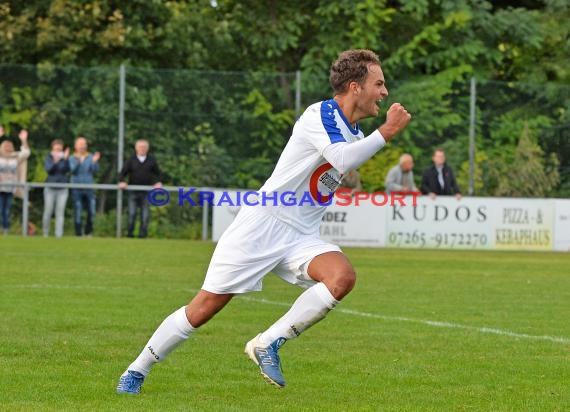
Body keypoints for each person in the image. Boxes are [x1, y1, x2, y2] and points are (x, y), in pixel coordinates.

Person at [116, 49, 411, 394]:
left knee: (342, 277)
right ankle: (137, 370)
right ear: (354, 87)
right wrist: (387, 131)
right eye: (379, 83)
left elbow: (338, 166)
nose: (385, 92)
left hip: (301, 234)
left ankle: (267, 342)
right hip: (262, 224)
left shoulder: (356, 134)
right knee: (204, 307)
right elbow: (340, 157)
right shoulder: (321, 114)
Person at [118, 139, 162, 238]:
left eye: (144, 147)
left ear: (147, 149)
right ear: (136, 148)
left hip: (146, 192)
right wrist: (122, 181)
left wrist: (158, 183)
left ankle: (143, 236)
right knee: (132, 214)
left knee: (145, 216)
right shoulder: (131, 160)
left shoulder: (151, 160)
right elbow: (122, 173)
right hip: (133, 191)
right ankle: (130, 235)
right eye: (140, 147)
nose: (142, 149)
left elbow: (158, 174)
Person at [0, 129, 30, 235]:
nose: (8, 148)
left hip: (10, 188)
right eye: (5, 145)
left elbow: (26, 153)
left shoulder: (15, 157)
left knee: (6, 210)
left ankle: (6, 230)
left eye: (9, 146)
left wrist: (24, 140)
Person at [69, 136, 101, 237]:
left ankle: (88, 232)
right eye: (80, 144)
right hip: (76, 188)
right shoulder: (71, 157)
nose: (82, 146)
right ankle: (78, 234)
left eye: (84, 144)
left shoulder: (91, 157)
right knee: (78, 210)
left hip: (89, 187)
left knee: (92, 210)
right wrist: (78, 162)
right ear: (75, 146)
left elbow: (95, 171)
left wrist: (95, 162)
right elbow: (72, 171)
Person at [43, 139, 70, 238]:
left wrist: (65, 159)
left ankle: (59, 234)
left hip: (62, 188)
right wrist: (56, 161)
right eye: (56, 147)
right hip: (50, 188)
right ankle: (45, 233)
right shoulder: (48, 157)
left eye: (60, 148)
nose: (58, 149)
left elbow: (65, 170)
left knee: (60, 212)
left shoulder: (65, 159)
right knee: (48, 211)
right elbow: (49, 170)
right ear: (52, 148)